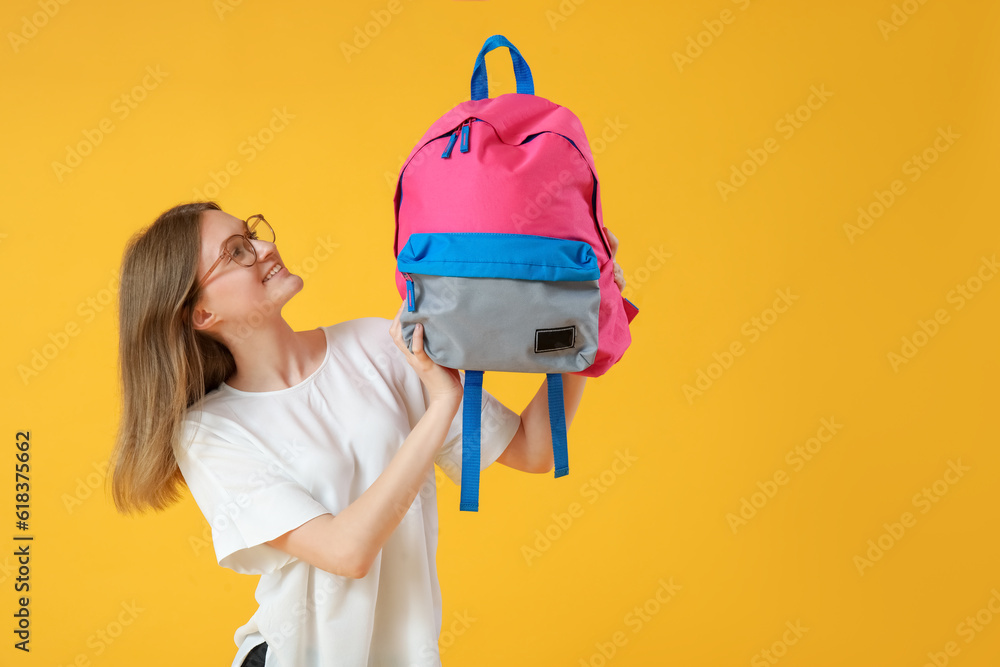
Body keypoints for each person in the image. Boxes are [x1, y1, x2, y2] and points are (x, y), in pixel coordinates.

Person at [108, 201, 626, 667]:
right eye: (238, 251)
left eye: (254, 233)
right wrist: (441, 404)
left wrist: (583, 323)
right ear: (202, 313)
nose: (266, 248)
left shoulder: (379, 344)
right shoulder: (210, 431)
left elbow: (533, 449)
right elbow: (345, 551)